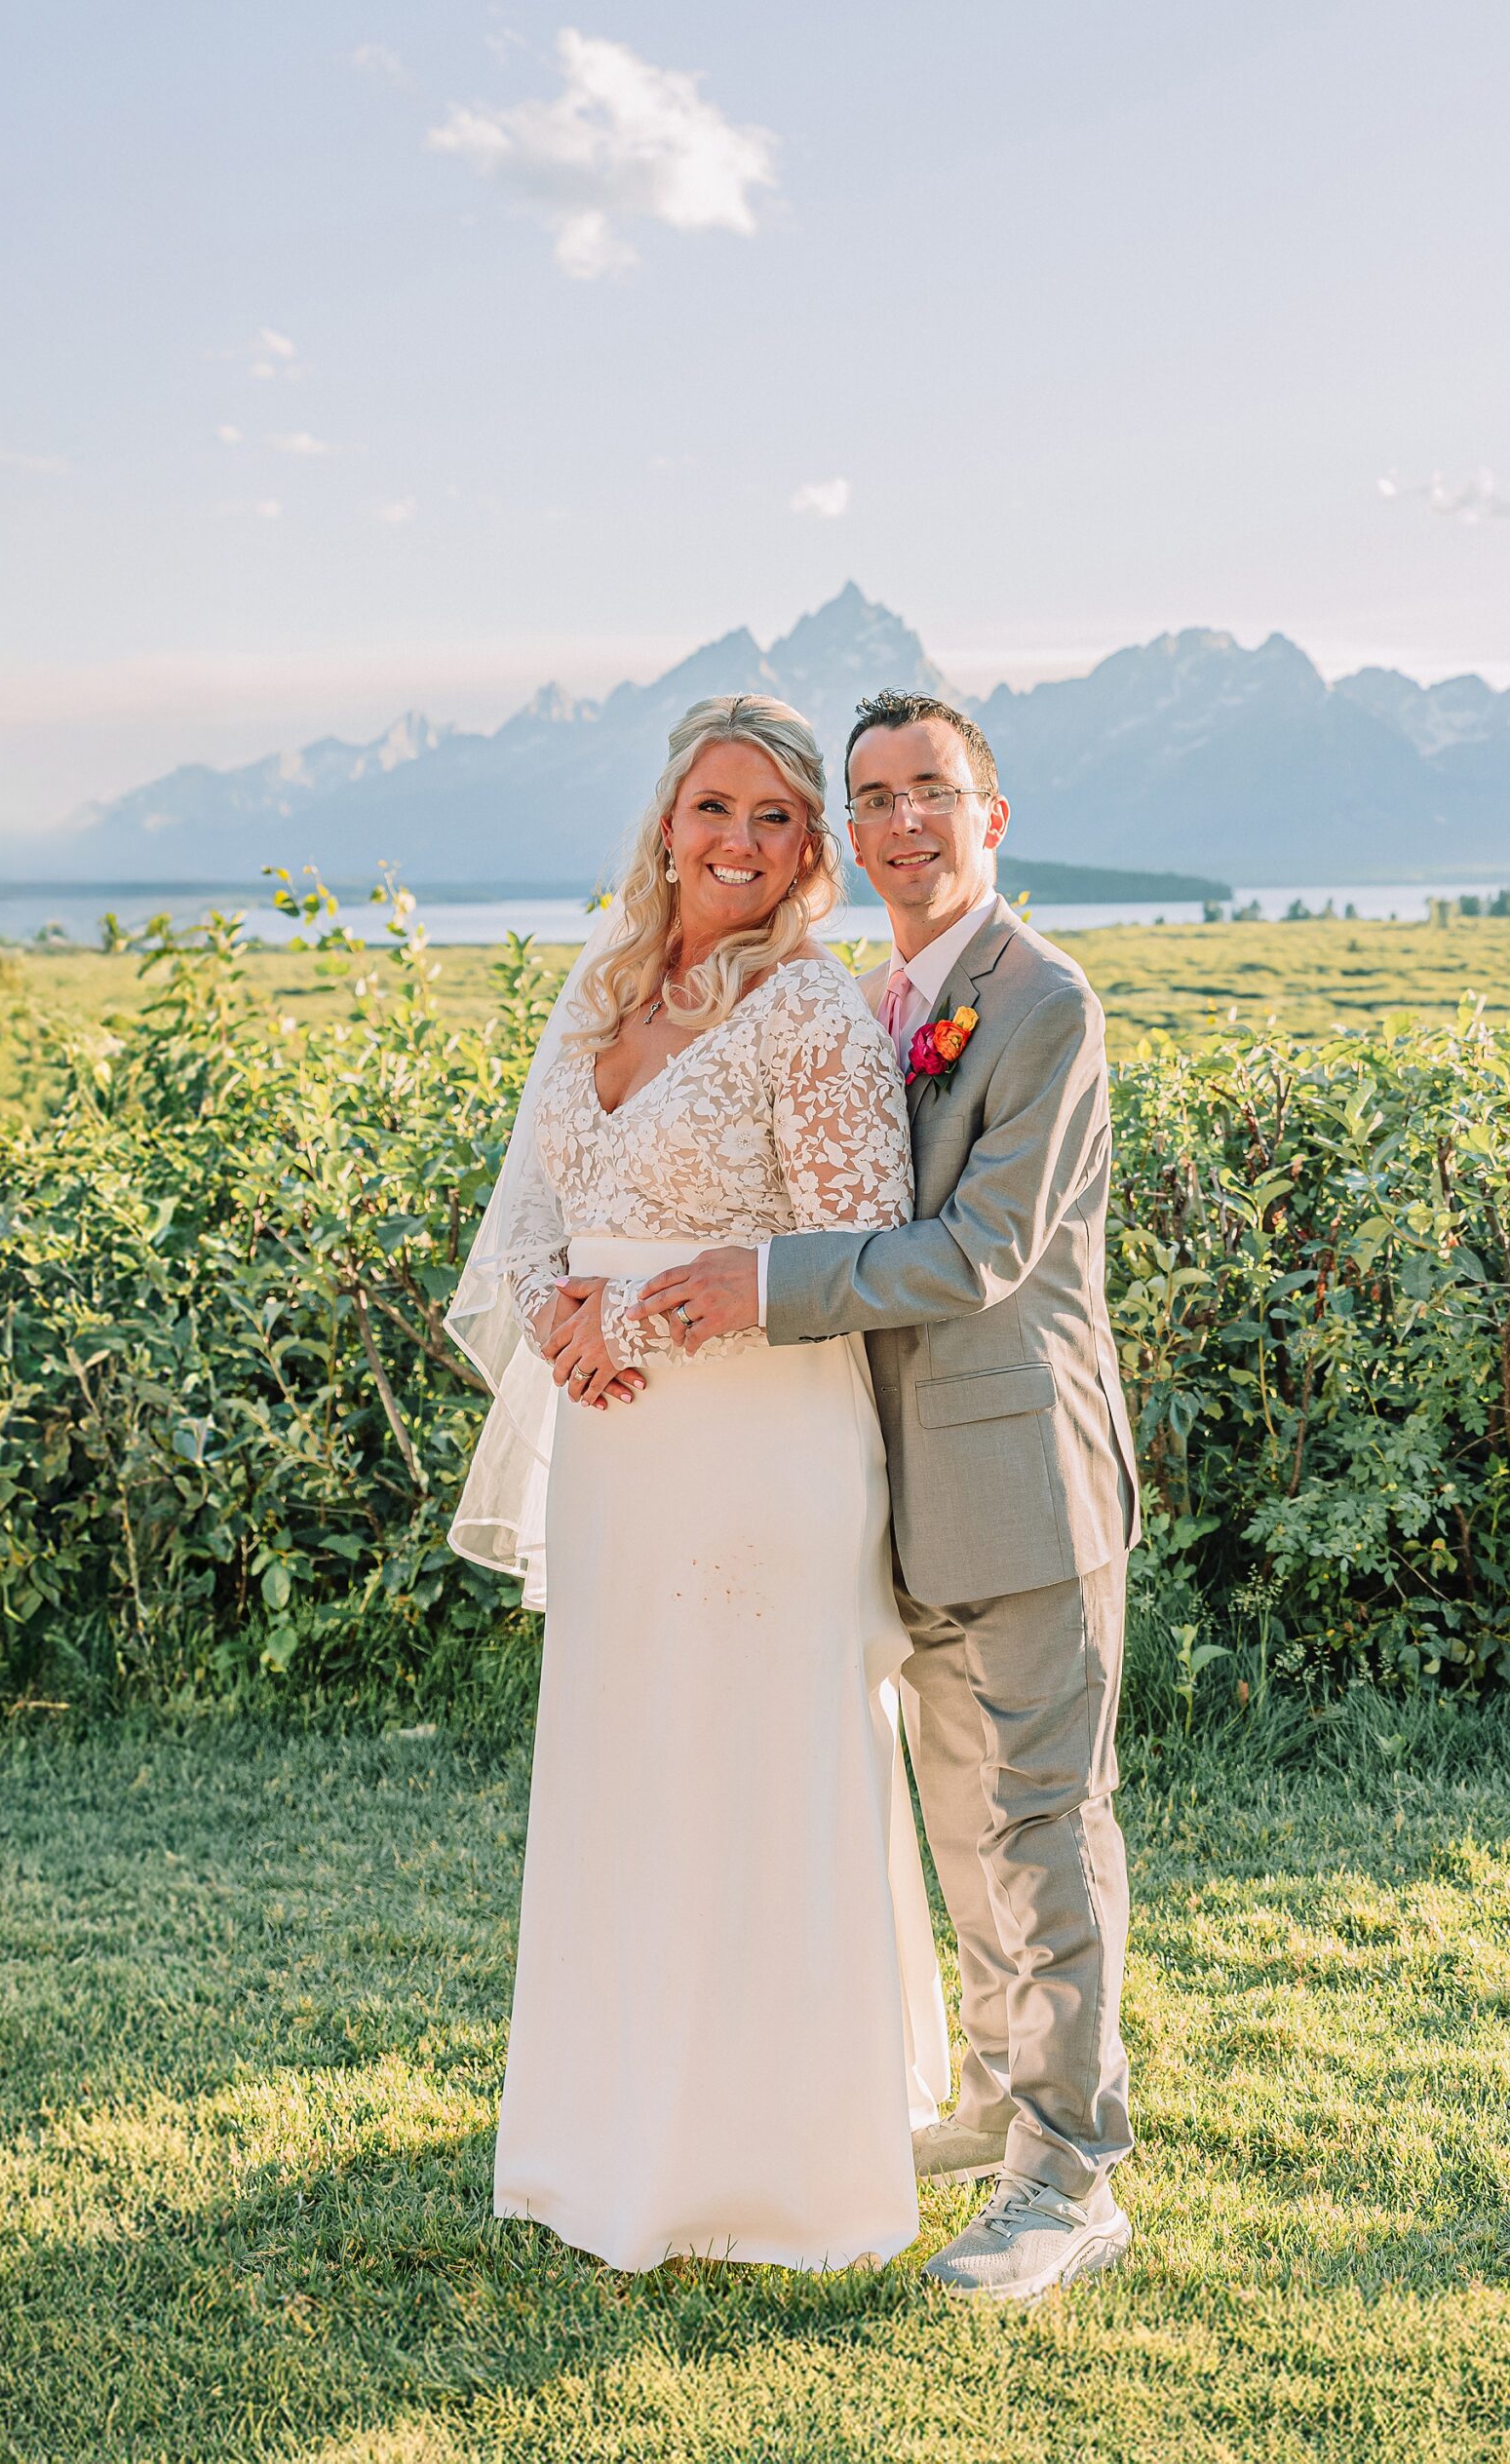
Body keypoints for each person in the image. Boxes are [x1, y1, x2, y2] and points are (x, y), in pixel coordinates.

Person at [622, 689, 1143, 2302]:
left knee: (1043, 1828)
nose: (902, 820)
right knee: (958, 1828)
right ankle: (995, 2098)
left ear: (992, 814)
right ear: (848, 835)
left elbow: (977, 1256)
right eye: (872, 797)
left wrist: (753, 1286)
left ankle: (1066, 2176)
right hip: (886, 1486)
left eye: (932, 790)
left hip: (1021, 1476)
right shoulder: (870, 998)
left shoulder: (1041, 1000)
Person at [445, 693, 948, 2274]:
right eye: (714, 808)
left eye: (777, 819)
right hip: (619, 1454)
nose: (739, 842)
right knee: (630, 1772)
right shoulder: (602, 985)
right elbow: (534, 1205)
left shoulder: (808, 1012)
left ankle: (778, 2164)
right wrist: (556, 1319)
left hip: (760, 1451)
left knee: (755, 1772)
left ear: (811, 850)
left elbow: (858, 1241)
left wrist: (651, 1311)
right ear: (666, 820)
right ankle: (609, 2135)